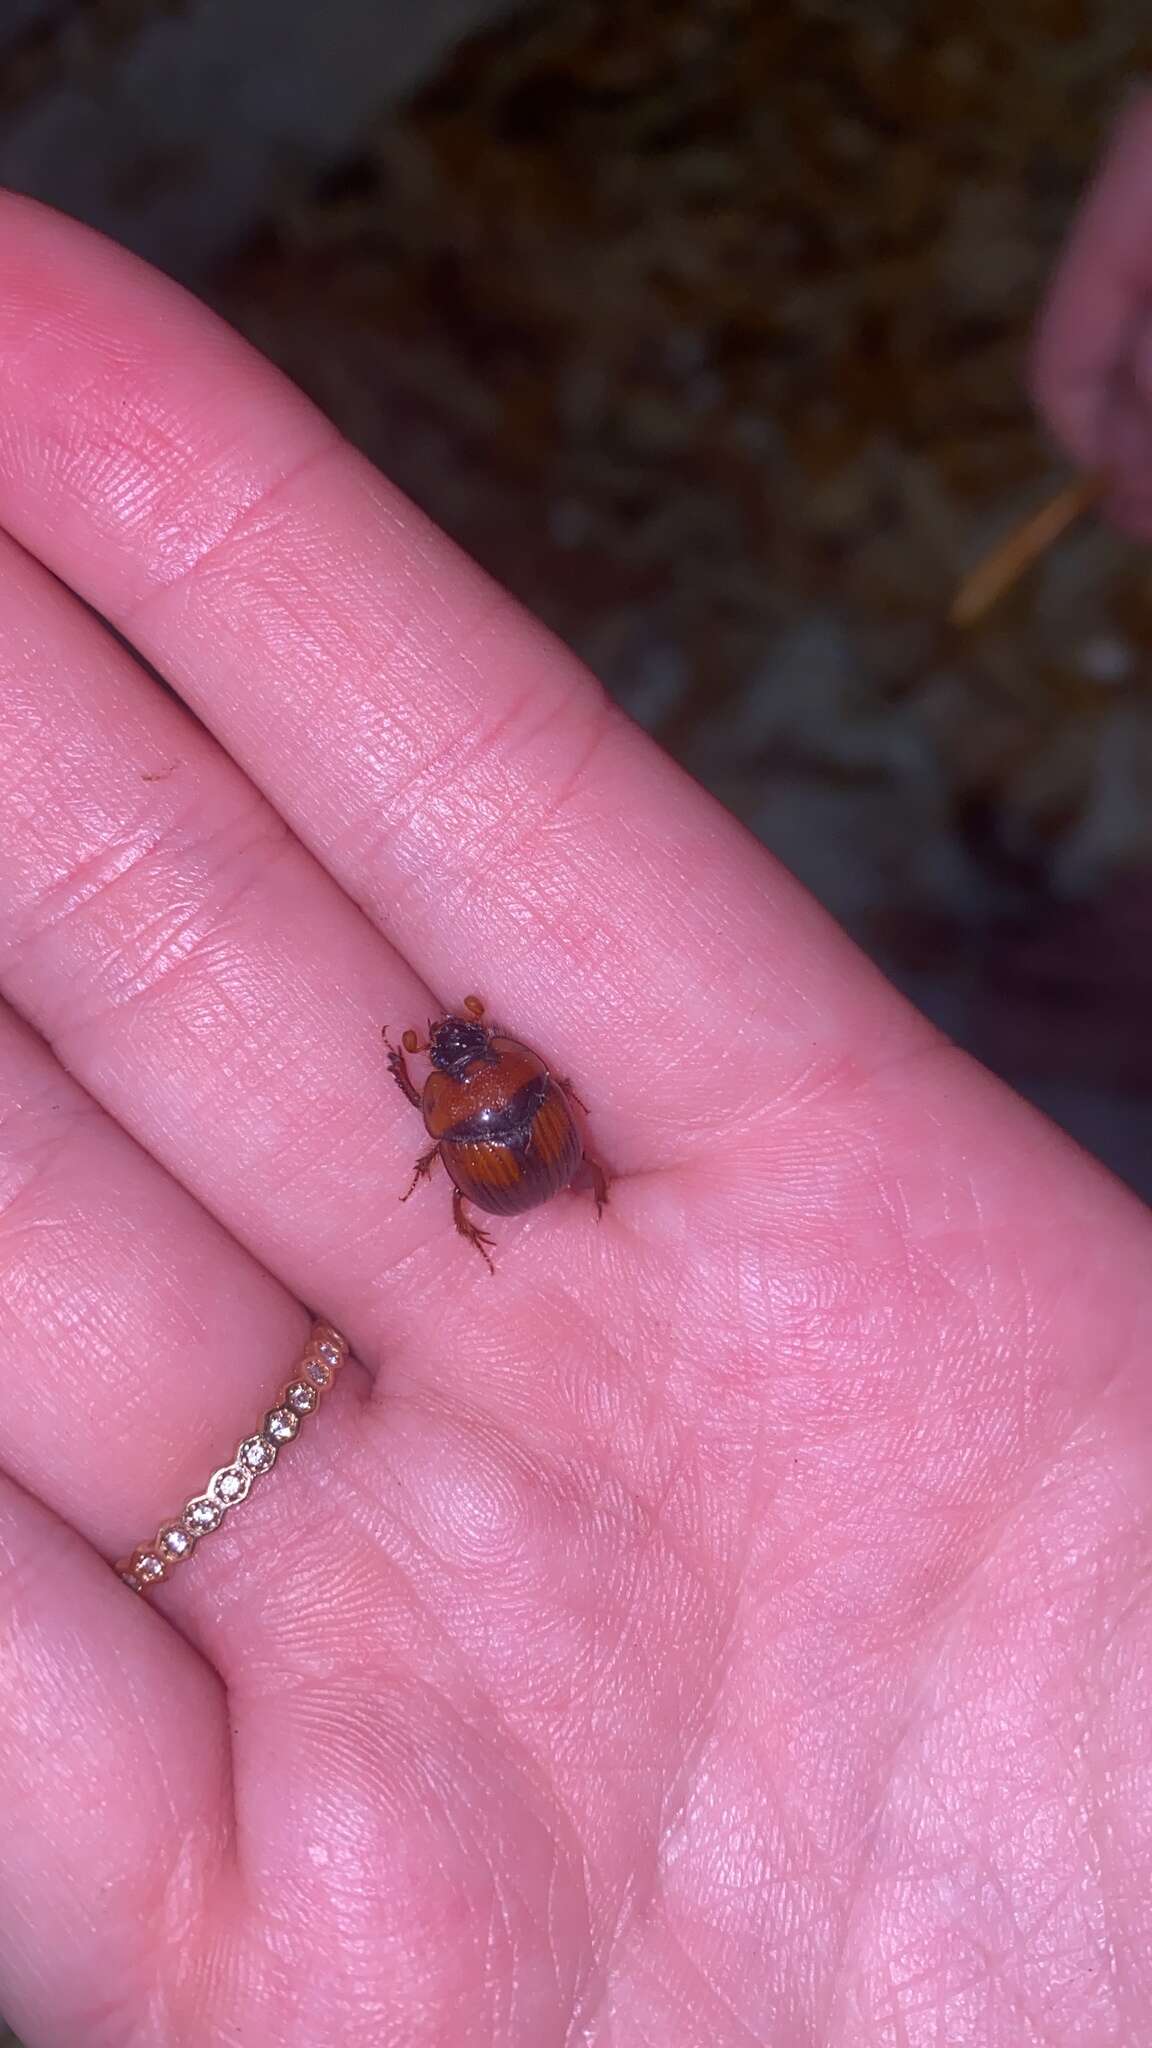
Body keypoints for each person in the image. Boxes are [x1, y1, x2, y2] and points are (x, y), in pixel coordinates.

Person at [0, 98, 1150, 2042]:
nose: (463, 1062)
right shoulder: (482, 1093)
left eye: (461, 1066)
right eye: (463, 1067)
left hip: (519, 1179)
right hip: (521, 1175)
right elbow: (471, 1096)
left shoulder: (475, 1099)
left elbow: (468, 1100)